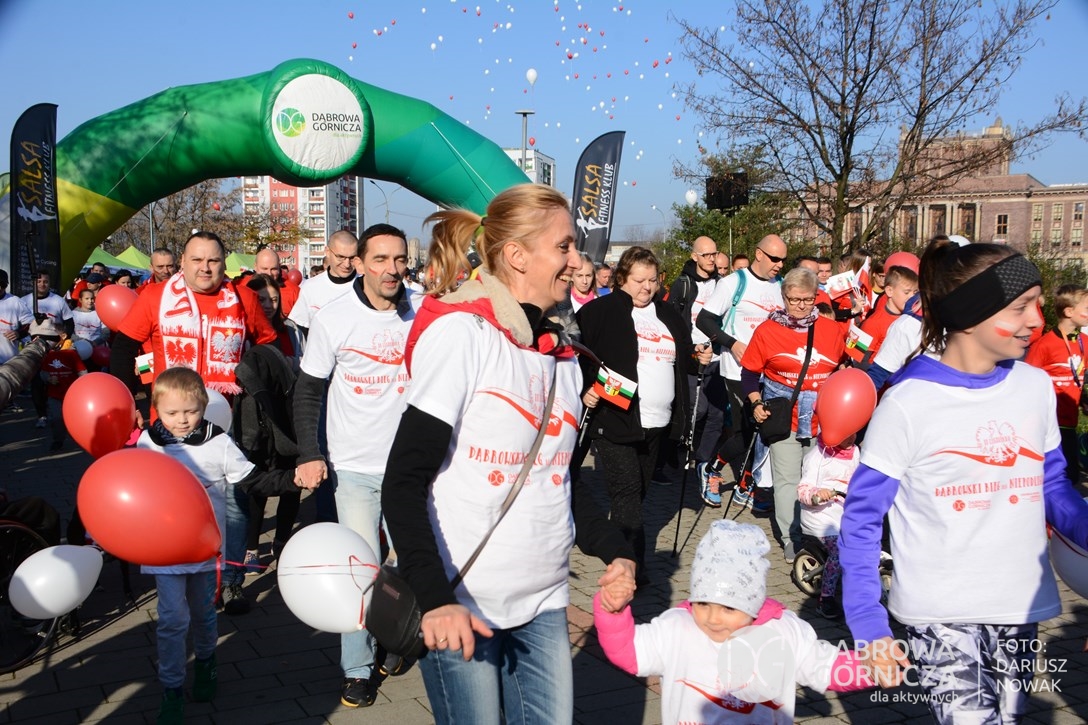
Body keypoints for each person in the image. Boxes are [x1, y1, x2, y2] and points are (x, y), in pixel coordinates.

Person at [381, 184, 637, 724]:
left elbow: (557, 479)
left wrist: (615, 549)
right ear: (517, 255)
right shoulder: (463, 336)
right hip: (462, 599)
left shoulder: (563, 357)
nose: (578, 262)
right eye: (564, 247)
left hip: (544, 600)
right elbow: (403, 482)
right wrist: (435, 599)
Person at [839, 243, 1088, 723]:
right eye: (1021, 307)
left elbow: (1053, 487)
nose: (1036, 321)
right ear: (972, 313)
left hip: (1020, 605)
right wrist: (868, 622)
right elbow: (862, 519)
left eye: (1038, 305)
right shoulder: (907, 403)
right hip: (940, 613)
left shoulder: (1034, 387)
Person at [110, 231, 277, 615]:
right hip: (169, 424)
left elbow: (267, 347)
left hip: (227, 423)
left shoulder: (243, 299)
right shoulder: (155, 297)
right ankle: (178, 576)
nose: (205, 268)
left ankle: (230, 581)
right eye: (197, 260)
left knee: (234, 505)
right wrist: (131, 402)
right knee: (173, 504)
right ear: (182, 262)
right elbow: (123, 347)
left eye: (213, 260)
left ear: (224, 263)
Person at [137, 367, 313, 724]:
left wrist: (293, 479)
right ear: (156, 409)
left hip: (205, 551)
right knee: (171, 620)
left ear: (204, 406)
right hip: (164, 552)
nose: (182, 420)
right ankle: (172, 689)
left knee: (203, 615)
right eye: (172, 413)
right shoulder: (147, 443)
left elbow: (254, 480)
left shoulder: (218, 444)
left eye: (191, 411)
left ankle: (206, 663)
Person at [292, 223, 419, 709]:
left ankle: (399, 635)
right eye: (381, 259)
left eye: (400, 259)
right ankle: (357, 668)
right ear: (360, 264)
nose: (392, 269)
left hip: (412, 467)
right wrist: (310, 453)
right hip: (354, 466)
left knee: (407, 562)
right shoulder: (334, 316)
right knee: (360, 569)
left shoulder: (423, 311)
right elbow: (308, 389)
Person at [594, 519, 872, 723]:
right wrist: (613, 611)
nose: (713, 618)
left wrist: (873, 667)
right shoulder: (677, 628)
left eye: (729, 608)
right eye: (702, 603)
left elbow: (825, 666)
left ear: (754, 601)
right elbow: (629, 651)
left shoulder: (782, 631)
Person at [579, 246, 711, 574]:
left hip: (658, 423)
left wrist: (698, 356)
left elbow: (684, 358)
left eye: (652, 280)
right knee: (627, 495)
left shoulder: (667, 314)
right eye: (639, 281)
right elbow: (578, 357)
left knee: (637, 495)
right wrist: (586, 388)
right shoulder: (600, 311)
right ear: (622, 278)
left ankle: (620, 550)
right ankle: (632, 570)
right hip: (615, 418)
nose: (647, 288)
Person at [742, 267, 845, 562]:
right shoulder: (767, 331)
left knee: (816, 478)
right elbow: (749, 374)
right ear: (783, 296)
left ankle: (818, 532)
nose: (800, 306)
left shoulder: (832, 330)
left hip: (822, 419)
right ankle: (791, 537)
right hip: (783, 417)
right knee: (787, 480)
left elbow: (845, 365)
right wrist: (756, 403)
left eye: (807, 299)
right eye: (794, 299)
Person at [696, 234, 788, 507]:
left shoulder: (781, 286)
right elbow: (704, 320)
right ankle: (712, 469)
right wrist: (732, 343)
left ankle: (746, 484)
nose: (780, 265)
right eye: (775, 258)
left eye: (783, 260)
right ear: (759, 254)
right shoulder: (734, 283)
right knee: (749, 429)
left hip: (770, 373)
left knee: (763, 429)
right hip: (738, 370)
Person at [667, 236, 728, 506]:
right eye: (706, 255)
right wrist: (688, 350)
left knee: (716, 415)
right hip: (692, 356)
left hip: (717, 357)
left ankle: (704, 464)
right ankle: (675, 452)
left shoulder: (722, 284)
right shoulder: (683, 284)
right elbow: (673, 322)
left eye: (714, 254)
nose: (711, 259)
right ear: (694, 257)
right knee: (697, 410)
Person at [1025, 283, 1088, 484]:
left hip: (1071, 419)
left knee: (1071, 476)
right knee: (1058, 478)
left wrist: (1084, 399)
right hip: (1049, 423)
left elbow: (1079, 375)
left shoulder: (1084, 341)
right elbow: (1027, 380)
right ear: (1069, 312)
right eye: (1086, 308)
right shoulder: (1044, 345)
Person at [797, 432, 859, 619]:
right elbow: (803, 489)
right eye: (846, 434)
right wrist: (817, 494)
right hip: (821, 518)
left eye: (853, 432)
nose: (851, 438)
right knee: (839, 551)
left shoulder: (855, 452)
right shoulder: (817, 457)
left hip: (845, 514)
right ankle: (826, 599)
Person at [23, 271, 74, 428]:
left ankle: (62, 413)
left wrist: (64, 339)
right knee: (37, 382)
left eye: (45, 281)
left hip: (54, 350)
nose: (42, 284)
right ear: (33, 283)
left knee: (56, 382)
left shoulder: (58, 301)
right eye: (39, 281)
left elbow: (69, 323)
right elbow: (20, 326)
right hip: (33, 349)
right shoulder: (24, 301)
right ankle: (42, 415)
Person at [287, 230, 360, 335]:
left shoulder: (367, 285)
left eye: (352, 258)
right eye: (341, 257)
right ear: (327, 252)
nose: (347, 264)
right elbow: (299, 329)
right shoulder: (310, 287)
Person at [846, 265, 918, 368]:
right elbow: (859, 363)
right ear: (889, 291)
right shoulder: (873, 322)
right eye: (906, 292)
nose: (912, 297)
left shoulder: (913, 319)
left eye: (915, 292)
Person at [32, 318, 86, 451]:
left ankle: (81, 438)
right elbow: (43, 373)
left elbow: (82, 371)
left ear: (62, 336)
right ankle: (58, 440)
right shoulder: (48, 354)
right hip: (54, 395)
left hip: (72, 394)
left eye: (51, 337)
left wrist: (83, 387)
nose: (48, 341)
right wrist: (48, 379)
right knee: (56, 418)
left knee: (76, 419)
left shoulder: (71, 353)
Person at [0, 269, 33, 365]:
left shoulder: (15, 302)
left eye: (3, 285)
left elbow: (31, 324)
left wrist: (19, 333)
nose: (0, 288)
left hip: (8, 363)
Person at [254, 246, 299, 316]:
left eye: (274, 269)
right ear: (255, 267)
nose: (269, 273)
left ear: (279, 267)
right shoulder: (243, 287)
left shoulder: (293, 291)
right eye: (264, 269)